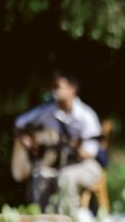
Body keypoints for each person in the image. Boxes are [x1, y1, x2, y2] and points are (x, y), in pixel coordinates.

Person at [13, 71, 103, 209]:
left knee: (66, 177)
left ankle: (67, 219)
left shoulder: (86, 116)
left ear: (72, 89)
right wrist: (27, 139)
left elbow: (89, 153)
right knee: (40, 175)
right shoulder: (47, 111)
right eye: (53, 87)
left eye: (58, 86)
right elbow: (19, 122)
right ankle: (41, 218)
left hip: (86, 166)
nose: (54, 90)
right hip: (59, 165)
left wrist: (76, 147)